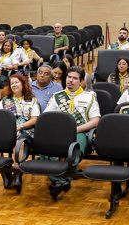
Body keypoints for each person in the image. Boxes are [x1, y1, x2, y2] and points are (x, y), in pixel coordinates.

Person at [42, 66, 99, 199]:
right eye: (69, 77)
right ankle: (61, 180)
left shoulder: (90, 97)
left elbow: (95, 120)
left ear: (81, 82)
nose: (71, 81)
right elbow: (47, 117)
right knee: (43, 148)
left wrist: (76, 129)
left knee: (75, 151)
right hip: (58, 132)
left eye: (75, 78)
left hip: (80, 131)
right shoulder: (57, 97)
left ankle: (61, 180)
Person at [0, 72, 40, 171]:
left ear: (23, 84)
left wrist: (20, 126)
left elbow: (34, 120)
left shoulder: (32, 100)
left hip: (26, 131)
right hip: (8, 130)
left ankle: (17, 172)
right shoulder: (5, 100)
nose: (14, 85)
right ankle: (3, 172)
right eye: (12, 83)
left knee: (18, 143)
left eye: (17, 82)